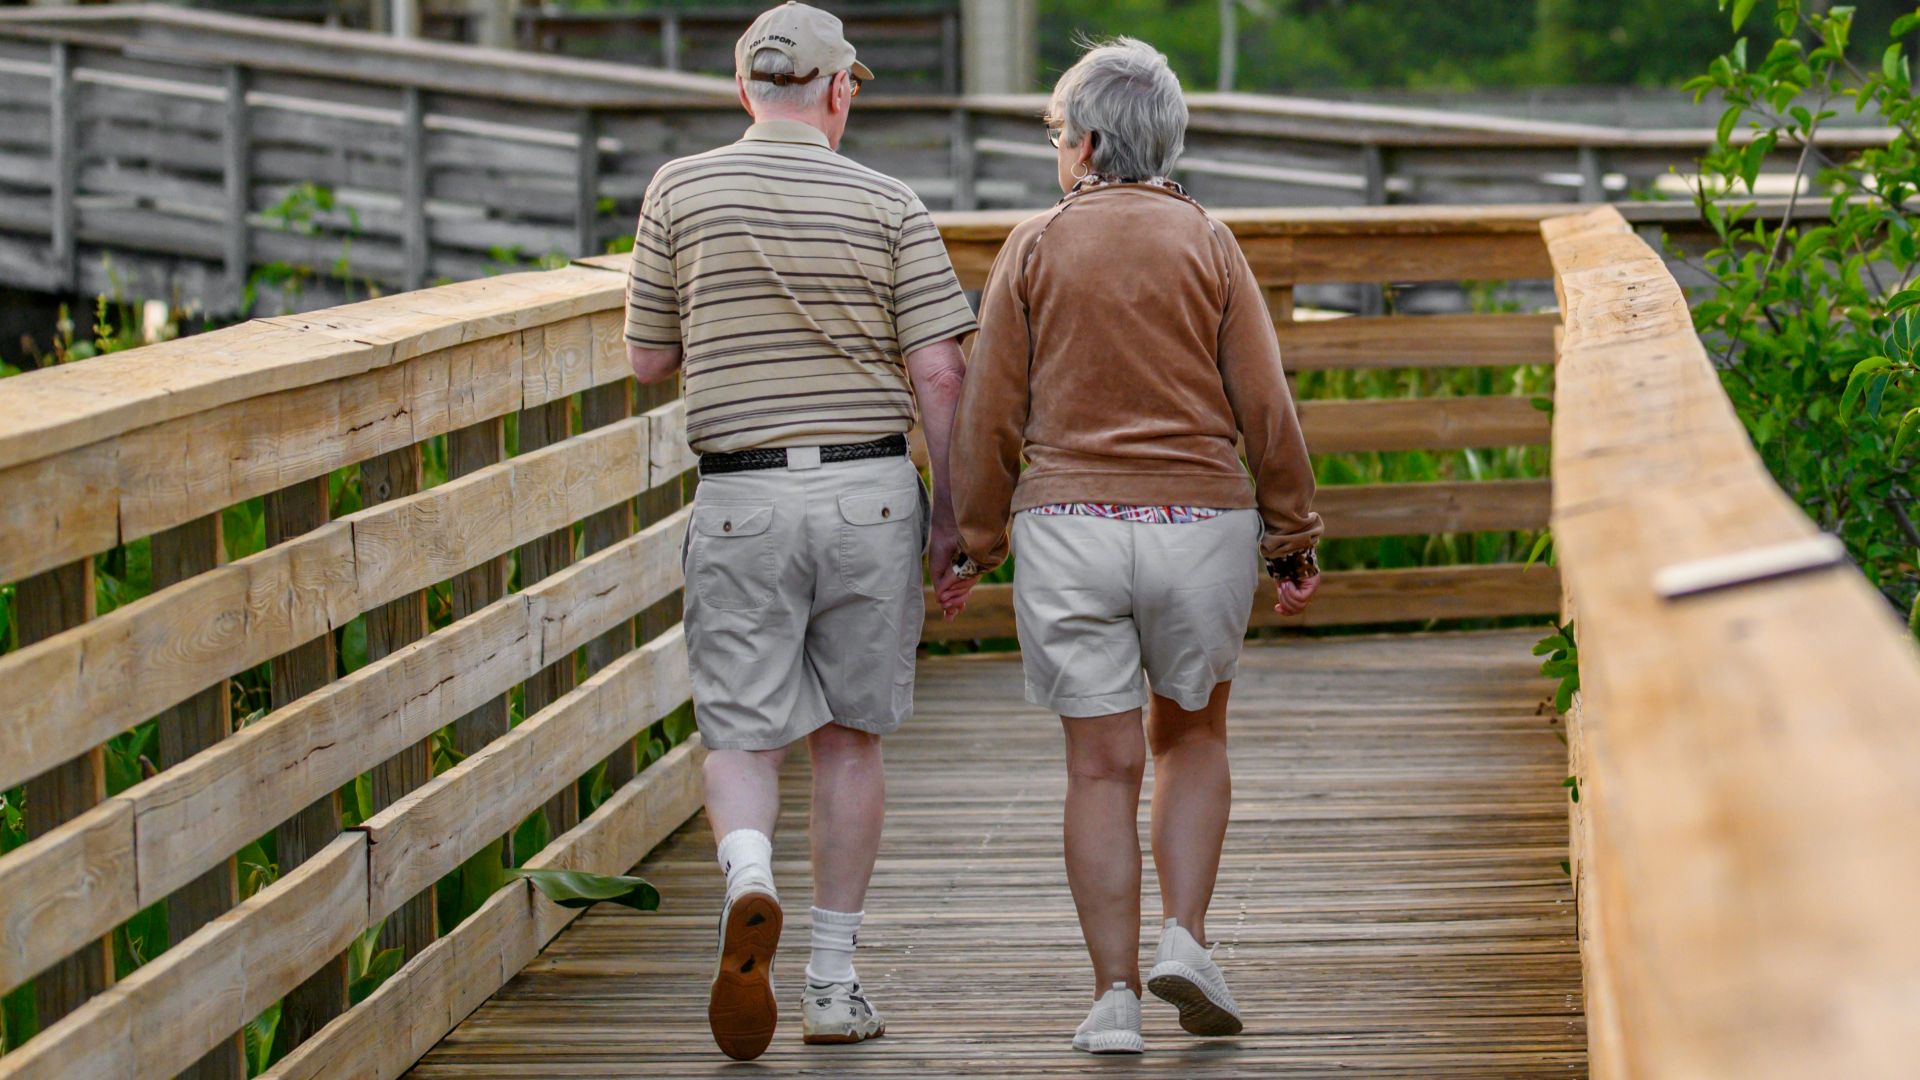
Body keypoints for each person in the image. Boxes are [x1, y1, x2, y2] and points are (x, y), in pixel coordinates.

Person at [945, 37, 1323, 1055]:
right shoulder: (1210, 241)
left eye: (1061, 135)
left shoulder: (1032, 247)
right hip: (1199, 525)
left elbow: (990, 413)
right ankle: (1186, 940)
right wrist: (1290, 532)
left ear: (1090, 144)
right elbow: (1264, 402)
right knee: (1191, 736)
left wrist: (973, 540)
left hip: (1068, 530)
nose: (1058, 151)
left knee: (1100, 769)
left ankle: (1114, 998)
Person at [624, 1, 977, 1061]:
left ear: (744, 91)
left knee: (740, 729)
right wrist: (953, 519)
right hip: (869, 491)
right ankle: (831, 980)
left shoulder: (678, 190)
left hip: (741, 493)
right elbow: (942, 371)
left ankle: (747, 874)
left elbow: (647, 361)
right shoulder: (890, 200)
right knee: (849, 738)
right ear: (837, 91)